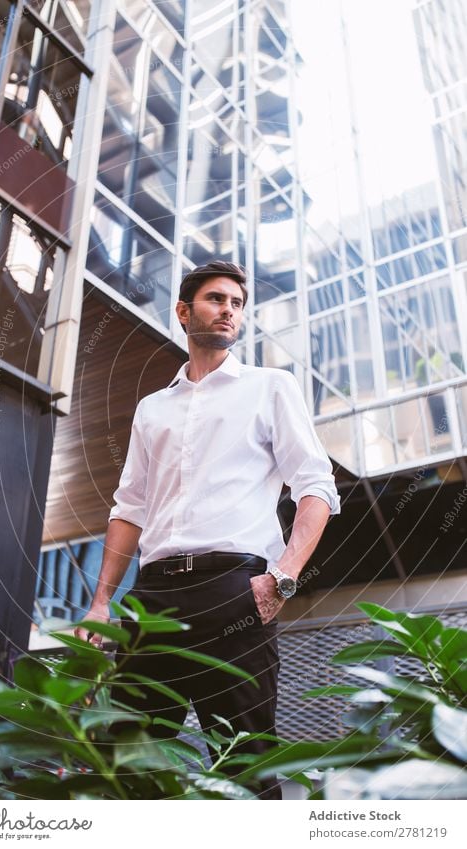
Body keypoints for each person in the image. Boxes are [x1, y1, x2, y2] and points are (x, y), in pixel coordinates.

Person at [75, 260, 340, 799]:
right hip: (152, 599)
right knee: (129, 762)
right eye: (216, 299)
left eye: (237, 304)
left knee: (245, 761)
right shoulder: (153, 408)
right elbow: (129, 508)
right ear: (183, 311)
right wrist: (102, 604)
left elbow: (316, 487)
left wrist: (283, 576)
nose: (228, 311)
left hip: (235, 591)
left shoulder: (271, 387)